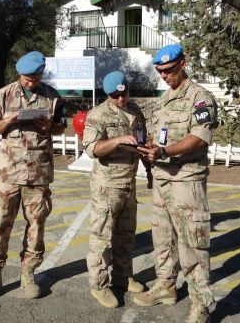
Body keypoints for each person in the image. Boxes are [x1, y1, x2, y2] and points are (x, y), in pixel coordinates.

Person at [0, 51, 66, 303]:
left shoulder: (53, 96)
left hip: (39, 174)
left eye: (35, 79)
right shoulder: (3, 95)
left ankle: (28, 274)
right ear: (19, 75)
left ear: (41, 75)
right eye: (26, 79)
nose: (30, 83)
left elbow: (61, 127)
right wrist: (7, 120)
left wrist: (50, 127)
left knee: (36, 227)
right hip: (9, 175)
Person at [134, 44, 217, 323]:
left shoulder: (200, 98)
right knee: (163, 238)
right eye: (160, 72)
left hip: (186, 180)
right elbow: (160, 136)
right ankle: (166, 286)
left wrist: (165, 151)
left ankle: (201, 304)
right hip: (162, 178)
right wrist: (147, 145)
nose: (165, 76)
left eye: (169, 70)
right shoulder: (164, 99)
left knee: (193, 243)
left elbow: (200, 138)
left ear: (183, 64)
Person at [83, 71, 147, 308]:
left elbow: (142, 140)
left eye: (124, 93)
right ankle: (99, 285)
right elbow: (92, 149)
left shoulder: (135, 110)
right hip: (107, 187)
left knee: (125, 235)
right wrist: (118, 140)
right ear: (108, 95)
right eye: (115, 96)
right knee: (101, 239)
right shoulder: (98, 115)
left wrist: (150, 170)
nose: (121, 99)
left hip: (129, 184)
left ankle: (122, 276)